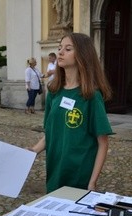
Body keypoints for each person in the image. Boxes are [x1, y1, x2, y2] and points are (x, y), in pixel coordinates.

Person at [29, 33, 113, 193]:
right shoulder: (54, 92)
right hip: (55, 173)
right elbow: (51, 134)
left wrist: (92, 182)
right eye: (60, 48)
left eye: (68, 49)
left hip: (80, 176)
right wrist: (33, 151)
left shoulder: (91, 96)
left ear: (82, 55)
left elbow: (103, 142)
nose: (60, 52)